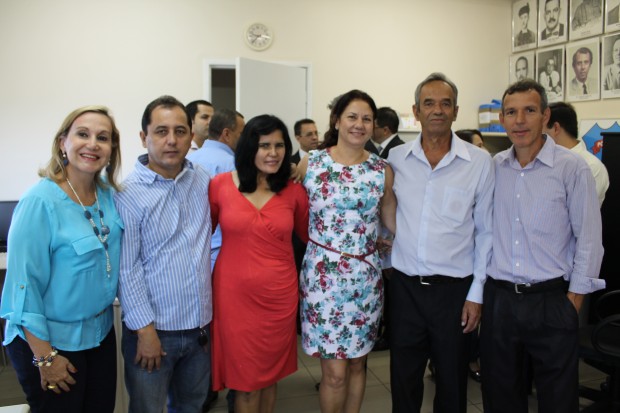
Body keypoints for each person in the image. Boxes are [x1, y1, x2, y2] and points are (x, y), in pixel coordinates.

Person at [481, 79, 605, 413]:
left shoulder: (571, 168)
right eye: (511, 112)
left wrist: (573, 302)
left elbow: (590, 240)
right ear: (502, 119)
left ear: (546, 116)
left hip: (551, 301)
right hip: (500, 300)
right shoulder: (493, 167)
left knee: (557, 399)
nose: (519, 120)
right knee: (501, 396)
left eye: (530, 110)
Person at [0, 106, 123, 413]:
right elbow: (22, 289)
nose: (92, 144)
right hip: (50, 342)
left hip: (100, 335)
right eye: (82, 134)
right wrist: (45, 357)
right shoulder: (39, 202)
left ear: (112, 149)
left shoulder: (108, 196)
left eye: (103, 137)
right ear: (62, 143)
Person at [387, 73, 493, 413]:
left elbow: (486, 232)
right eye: (429, 103)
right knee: (404, 380)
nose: (437, 110)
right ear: (416, 111)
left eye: (445, 104)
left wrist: (476, 295)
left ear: (456, 111)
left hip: (454, 293)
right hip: (405, 289)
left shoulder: (479, 162)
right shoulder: (396, 159)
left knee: (451, 382)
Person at [297, 89, 396, 413]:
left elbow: (392, 222)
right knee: (335, 373)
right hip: (322, 281)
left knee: (357, 364)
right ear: (337, 120)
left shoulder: (381, 170)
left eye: (367, 119)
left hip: (364, 280)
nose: (359, 124)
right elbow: (289, 212)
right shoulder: (312, 163)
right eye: (352, 116)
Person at [114, 95, 213, 413]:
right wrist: (145, 332)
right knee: (148, 408)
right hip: (155, 333)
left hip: (200, 329)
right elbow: (127, 269)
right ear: (143, 137)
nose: (172, 140)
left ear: (191, 136)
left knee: (192, 407)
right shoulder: (127, 194)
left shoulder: (201, 179)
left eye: (180, 131)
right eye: (161, 131)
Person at [209, 114, 309, 413]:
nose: (273, 153)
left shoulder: (294, 190)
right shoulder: (220, 185)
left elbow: (310, 236)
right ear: (249, 147)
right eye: (265, 145)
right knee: (247, 384)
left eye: (279, 145)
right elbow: (199, 237)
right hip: (234, 299)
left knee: (269, 378)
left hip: (279, 297)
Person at [187, 108, 245, 269]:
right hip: (224, 251)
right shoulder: (235, 166)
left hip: (191, 252)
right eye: (242, 134)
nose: (246, 140)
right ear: (226, 134)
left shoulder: (187, 160)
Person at [543, 102, 609, 205]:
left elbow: (579, 209)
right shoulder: (545, 161)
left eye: (540, 132)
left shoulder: (591, 166)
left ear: (556, 128)